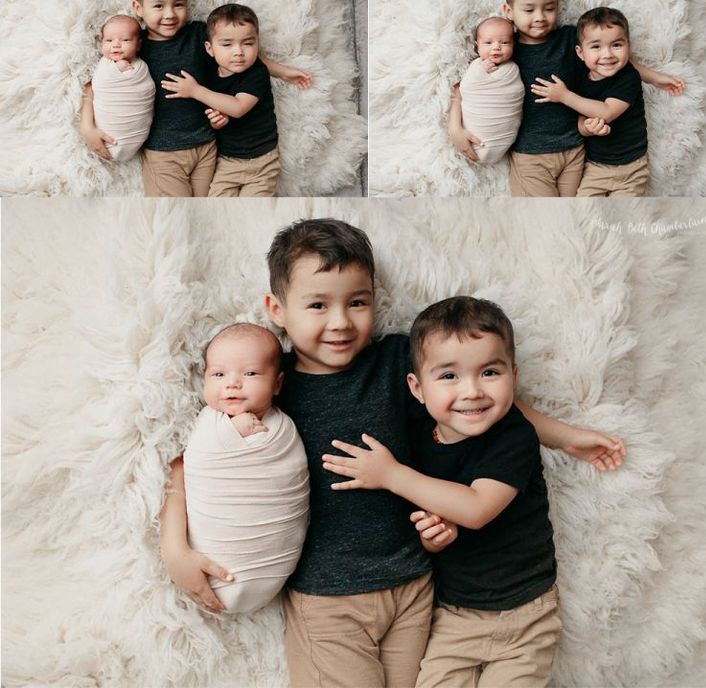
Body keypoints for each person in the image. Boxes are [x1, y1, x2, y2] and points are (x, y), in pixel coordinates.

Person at [159, 218, 626, 688]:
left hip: (415, 585)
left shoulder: (397, 361)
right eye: (318, 304)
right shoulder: (269, 379)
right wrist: (175, 547)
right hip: (329, 596)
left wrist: (562, 436)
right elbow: (197, 461)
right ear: (277, 309)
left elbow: (482, 403)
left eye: (357, 302)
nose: (340, 321)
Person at [323, 296, 561, 687]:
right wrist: (434, 539)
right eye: (449, 376)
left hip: (525, 616)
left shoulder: (513, 437)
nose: (471, 391)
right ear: (417, 388)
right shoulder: (416, 435)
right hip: (453, 617)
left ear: (513, 377)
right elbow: (439, 526)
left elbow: (477, 508)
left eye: (489, 372)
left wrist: (390, 475)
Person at [447, 0, 685, 196]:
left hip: (574, 150)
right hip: (531, 155)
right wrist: (455, 128)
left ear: (558, 7)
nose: (540, 17)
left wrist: (654, 78)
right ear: (508, 11)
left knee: (573, 216)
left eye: (548, 8)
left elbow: (612, 60)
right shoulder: (506, 47)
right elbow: (466, 89)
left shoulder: (570, 38)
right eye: (529, 10)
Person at [79, 0, 311, 196]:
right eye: (158, 5)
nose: (169, 14)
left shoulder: (199, 34)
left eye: (178, 5)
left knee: (209, 211)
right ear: (138, 8)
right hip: (163, 153)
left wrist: (279, 70)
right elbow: (98, 85)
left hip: (207, 147)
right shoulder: (136, 45)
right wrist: (87, 126)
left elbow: (238, 52)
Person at [177, 323, 309, 614]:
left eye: (250, 373)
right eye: (219, 374)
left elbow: (292, 477)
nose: (232, 383)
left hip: (272, 564)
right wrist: (230, 433)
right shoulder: (208, 423)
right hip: (215, 560)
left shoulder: (284, 429)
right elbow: (196, 459)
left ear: (277, 383)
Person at [160, 4, 281, 197]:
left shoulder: (257, 73)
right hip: (227, 162)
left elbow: (238, 107)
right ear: (210, 48)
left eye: (248, 43)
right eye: (227, 45)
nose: (238, 52)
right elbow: (215, 114)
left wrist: (195, 90)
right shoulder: (208, 74)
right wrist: (216, 122)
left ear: (258, 44)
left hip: (262, 161)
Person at [530, 7, 649, 196]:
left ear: (628, 45)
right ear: (580, 52)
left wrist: (564, 96)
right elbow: (579, 122)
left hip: (631, 168)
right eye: (596, 47)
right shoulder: (579, 79)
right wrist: (588, 128)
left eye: (617, 45)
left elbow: (607, 111)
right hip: (595, 168)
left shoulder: (629, 78)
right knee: (586, 214)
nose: (607, 54)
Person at [458, 16, 524, 164]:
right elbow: (466, 88)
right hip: (477, 130)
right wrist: (480, 72)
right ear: (477, 46)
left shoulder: (512, 69)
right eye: (488, 43)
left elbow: (516, 92)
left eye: (505, 42)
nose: (496, 47)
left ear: (513, 44)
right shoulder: (475, 66)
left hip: (504, 134)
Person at [90, 15, 155, 162]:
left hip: (134, 133)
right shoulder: (104, 66)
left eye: (125, 40)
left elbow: (146, 89)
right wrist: (115, 70)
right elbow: (98, 84)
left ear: (138, 45)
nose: (116, 45)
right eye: (109, 40)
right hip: (108, 129)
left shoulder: (141, 68)